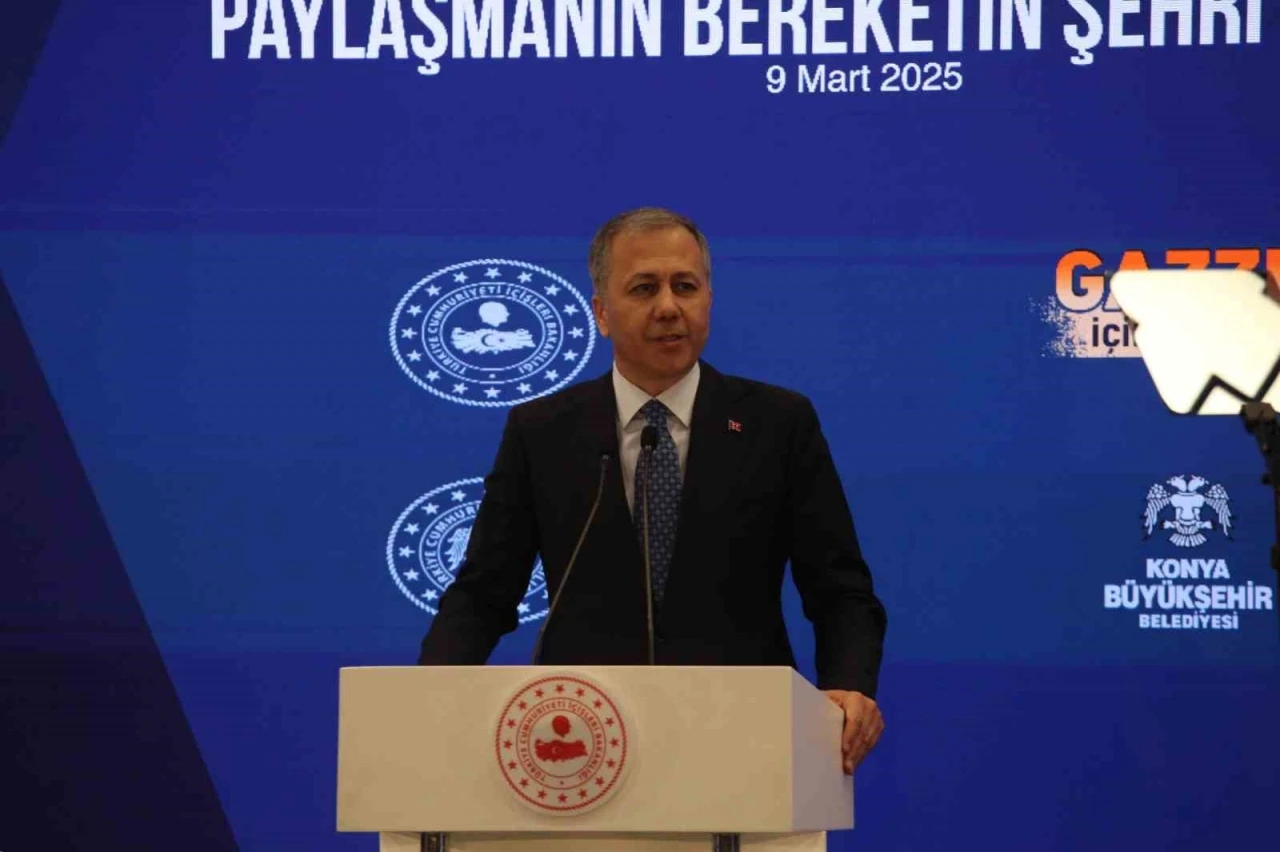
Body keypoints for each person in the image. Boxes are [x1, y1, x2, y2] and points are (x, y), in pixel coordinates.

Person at [419, 208, 887, 772]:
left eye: (685, 286)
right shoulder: (542, 431)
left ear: (708, 299)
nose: (668, 307)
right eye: (644, 288)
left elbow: (839, 589)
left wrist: (848, 685)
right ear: (601, 314)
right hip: (583, 742)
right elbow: (483, 594)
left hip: (744, 737)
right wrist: (426, 699)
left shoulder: (778, 423)